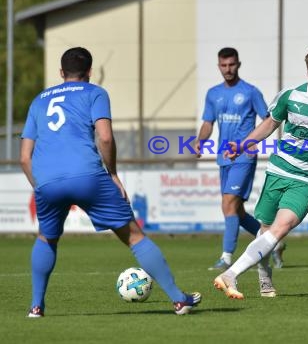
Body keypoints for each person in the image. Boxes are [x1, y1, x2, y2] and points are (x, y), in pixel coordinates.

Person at [20, 47, 201, 317]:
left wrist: (43, 186)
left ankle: (36, 306)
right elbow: (104, 138)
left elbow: (24, 158)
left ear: (61, 72)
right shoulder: (95, 93)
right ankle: (178, 299)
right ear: (90, 72)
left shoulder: (39, 100)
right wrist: (113, 173)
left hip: (46, 181)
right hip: (88, 176)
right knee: (134, 237)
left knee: (46, 239)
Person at [213, 46, 308, 299]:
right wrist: (243, 144)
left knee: (281, 228)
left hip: (307, 179)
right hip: (278, 171)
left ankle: (230, 273)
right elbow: (270, 123)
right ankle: (264, 274)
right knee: (266, 229)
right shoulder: (290, 96)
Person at [195, 47, 286, 271]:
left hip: (244, 155)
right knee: (237, 211)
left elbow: (269, 119)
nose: (228, 69)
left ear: (238, 64)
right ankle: (274, 242)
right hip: (224, 157)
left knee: (228, 204)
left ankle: (226, 258)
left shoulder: (250, 92)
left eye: (232, 64)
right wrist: (200, 140)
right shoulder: (213, 94)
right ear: (219, 66)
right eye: (224, 65)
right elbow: (208, 123)